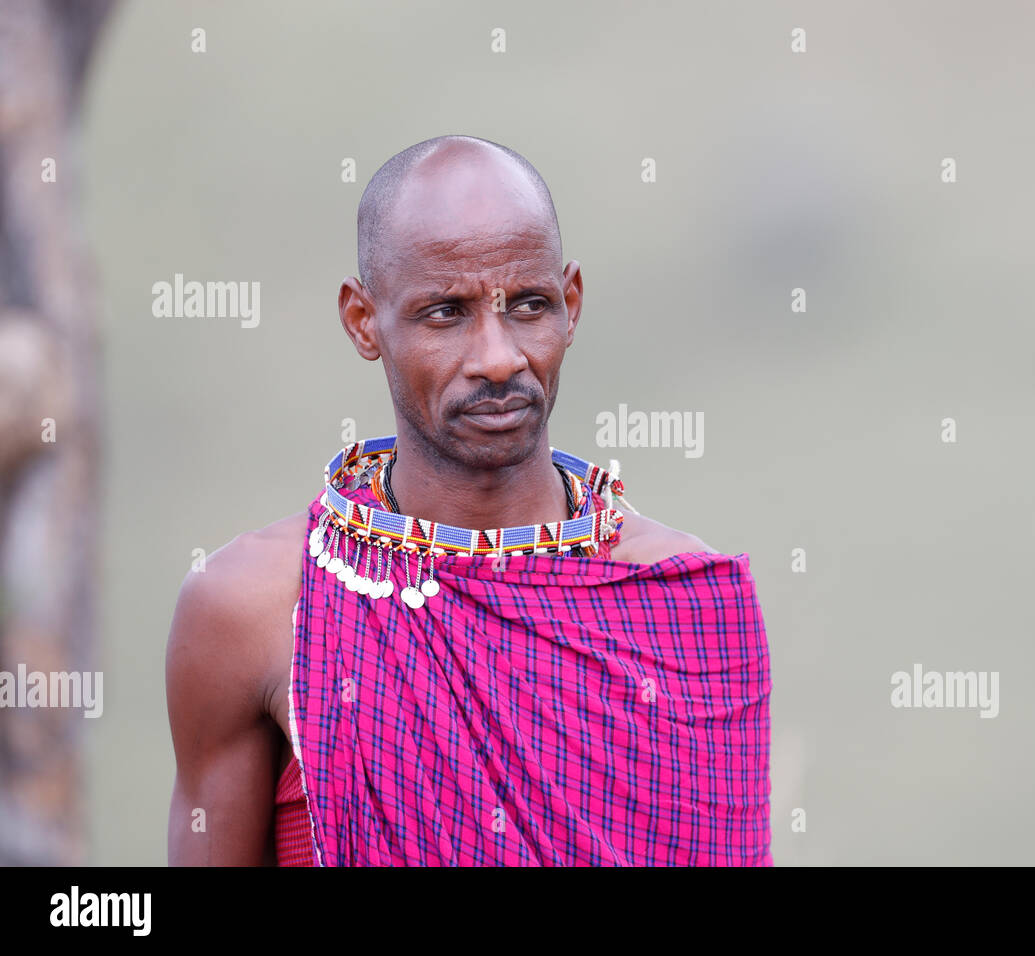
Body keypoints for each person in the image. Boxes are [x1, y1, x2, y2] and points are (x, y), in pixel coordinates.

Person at [165, 135, 772, 865]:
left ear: (571, 305)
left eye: (529, 305)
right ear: (363, 320)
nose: (497, 358)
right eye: (445, 313)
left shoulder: (678, 600)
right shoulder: (254, 609)